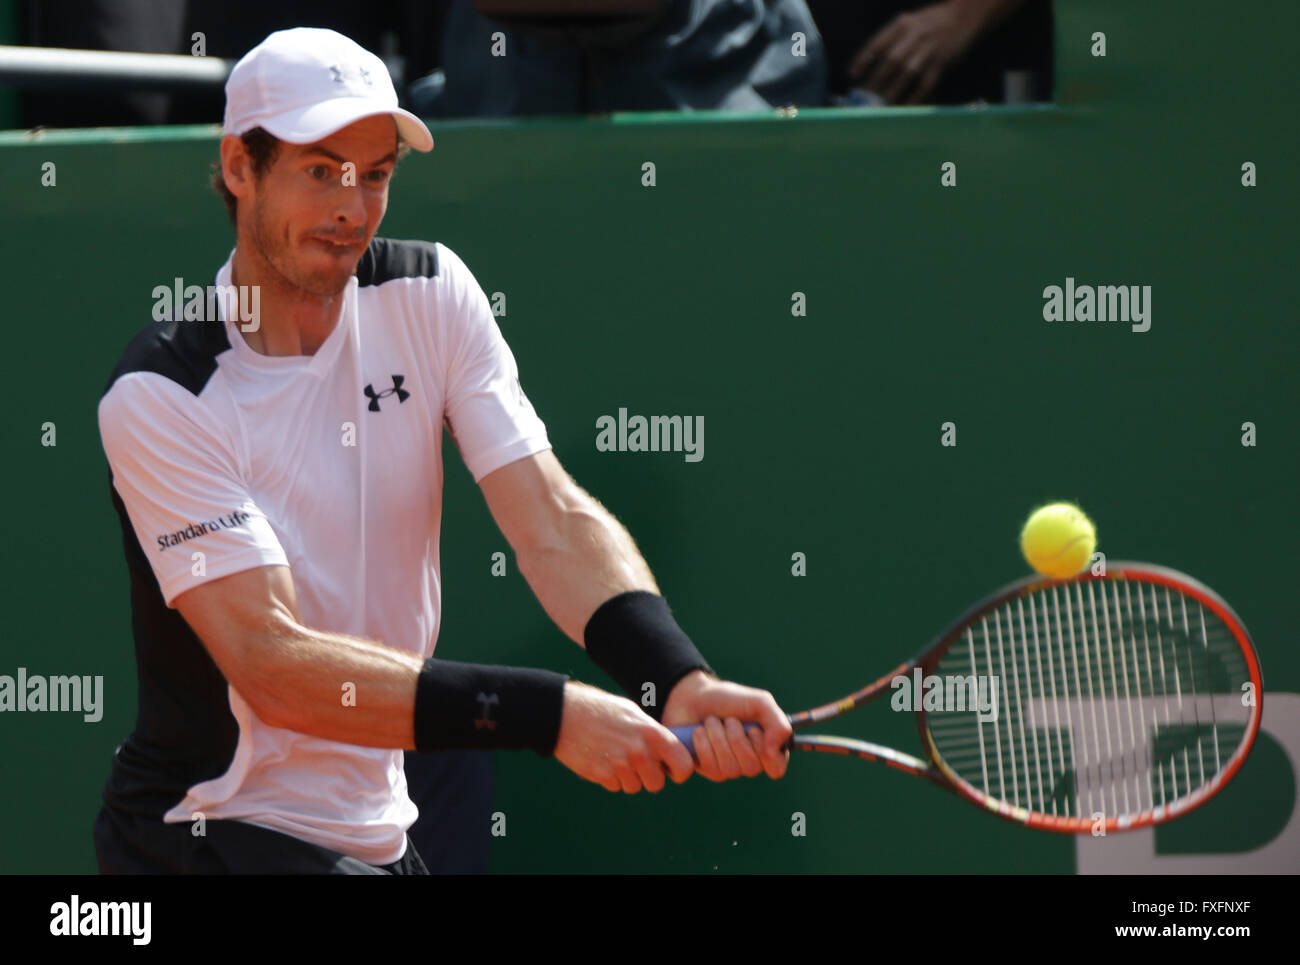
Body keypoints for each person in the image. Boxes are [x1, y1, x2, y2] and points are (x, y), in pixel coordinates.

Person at [93, 26, 791, 875]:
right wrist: (550, 715)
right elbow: (275, 664)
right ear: (240, 167)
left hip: (374, 835)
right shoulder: (163, 392)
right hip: (205, 833)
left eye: (376, 174)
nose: (354, 206)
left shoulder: (430, 294)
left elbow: (551, 519)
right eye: (322, 172)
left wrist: (674, 676)